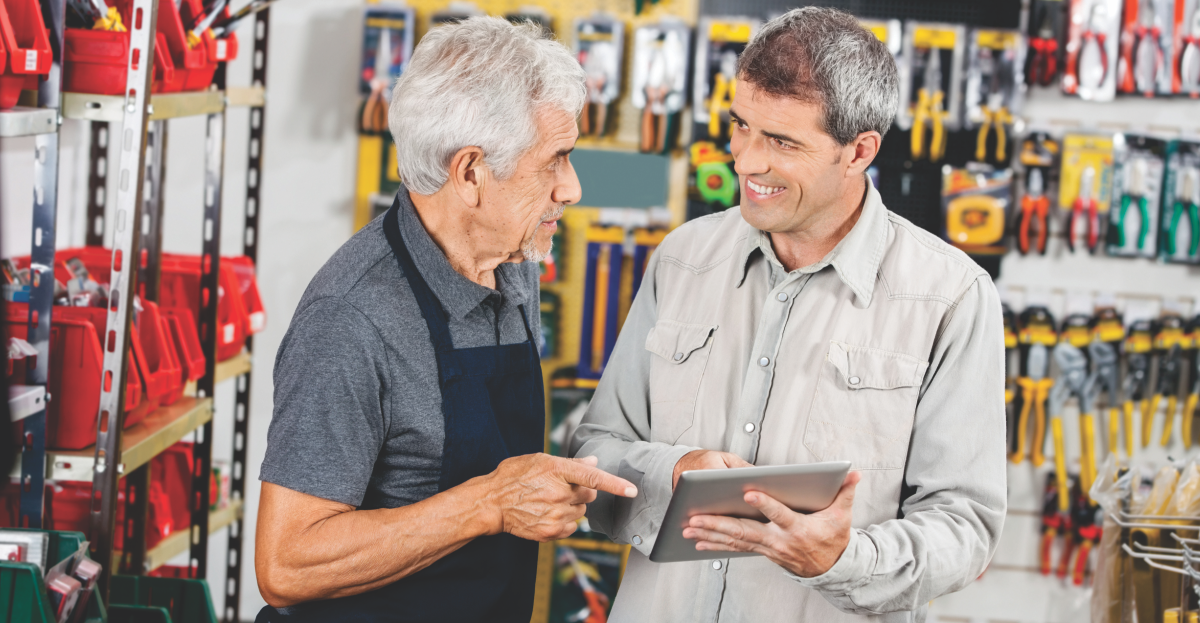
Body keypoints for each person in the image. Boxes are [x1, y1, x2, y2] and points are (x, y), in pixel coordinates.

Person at [570, 8, 1007, 623]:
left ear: (859, 152)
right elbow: (594, 453)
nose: (745, 162)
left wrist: (844, 560)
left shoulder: (951, 297)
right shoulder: (683, 259)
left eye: (781, 142)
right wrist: (676, 471)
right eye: (740, 126)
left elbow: (966, 526)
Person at [254, 17, 637, 623]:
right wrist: (491, 502)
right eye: (555, 161)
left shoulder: (513, 263)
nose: (573, 187)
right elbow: (286, 565)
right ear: (469, 174)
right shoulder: (351, 320)